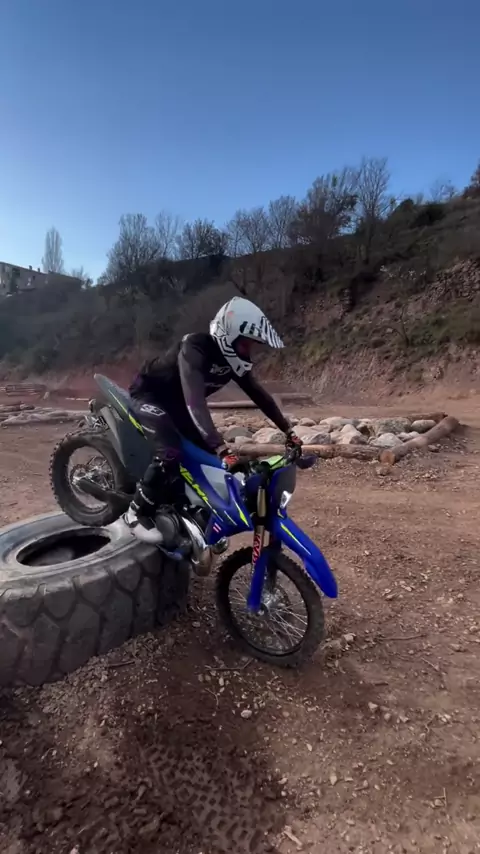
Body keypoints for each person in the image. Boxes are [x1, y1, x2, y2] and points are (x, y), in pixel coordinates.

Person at [125, 296, 302, 543]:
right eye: (246, 345)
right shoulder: (194, 348)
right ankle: (136, 512)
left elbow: (260, 395)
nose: (248, 352)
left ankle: (179, 507)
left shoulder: (232, 360)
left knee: (204, 457)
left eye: (251, 346)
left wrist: (289, 431)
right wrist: (221, 448)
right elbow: (195, 402)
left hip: (177, 404)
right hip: (149, 395)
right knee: (170, 452)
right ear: (228, 335)